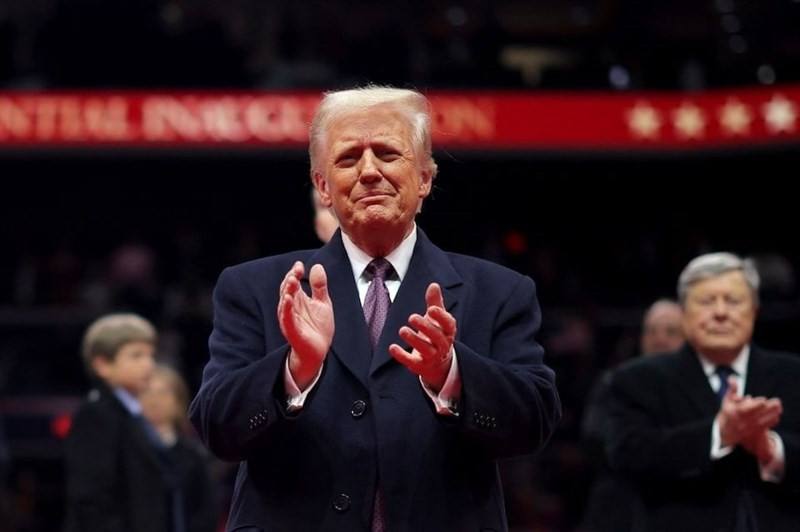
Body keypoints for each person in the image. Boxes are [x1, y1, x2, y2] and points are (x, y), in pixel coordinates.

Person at [189, 86, 561, 532]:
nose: (369, 172)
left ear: (425, 178)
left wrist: (452, 374)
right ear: (323, 186)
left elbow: (535, 423)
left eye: (387, 153)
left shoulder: (500, 291)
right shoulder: (254, 287)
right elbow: (216, 429)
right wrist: (295, 369)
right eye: (348, 159)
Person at [607, 252, 800, 531]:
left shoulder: (793, 374)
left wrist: (773, 449)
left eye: (733, 301)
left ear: (754, 311)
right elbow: (627, 457)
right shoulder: (638, 379)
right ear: (684, 313)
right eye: (707, 301)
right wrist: (719, 434)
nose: (721, 312)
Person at [63, 313, 174, 532]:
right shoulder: (97, 415)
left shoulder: (131, 415)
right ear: (102, 364)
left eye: (151, 355)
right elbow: (90, 498)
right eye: (136, 356)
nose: (149, 364)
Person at [581, 299, 684, 531]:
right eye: (651, 331)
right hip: (619, 506)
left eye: (671, 331)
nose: (660, 339)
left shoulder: (700, 389)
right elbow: (594, 439)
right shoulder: (614, 382)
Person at [141, 364, 217, 532]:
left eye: (163, 393)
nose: (154, 401)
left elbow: (206, 510)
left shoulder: (193, 456)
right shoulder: (129, 451)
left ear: (178, 401)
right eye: (146, 392)